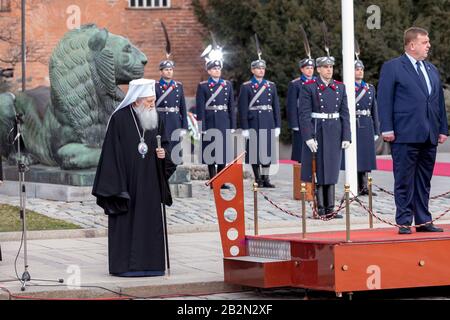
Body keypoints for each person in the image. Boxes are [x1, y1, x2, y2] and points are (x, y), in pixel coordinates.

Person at [92, 78, 176, 276]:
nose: (152, 105)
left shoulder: (156, 119)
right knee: (127, 223)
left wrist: (164, 154)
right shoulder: (119, 119)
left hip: (151, 183)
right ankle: (126, 267)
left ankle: (152, 266)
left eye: (153, 101)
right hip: (126, 183)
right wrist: (118, 187)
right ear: (136, 100)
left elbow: (165, 146)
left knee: (149, 224)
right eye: (148, 101)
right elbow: (110, 154)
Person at [378, 27, 448, 234]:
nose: (429, 46)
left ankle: (423, 220)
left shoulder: (431, 69)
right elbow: (384, 99)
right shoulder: (393, 67)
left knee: (424, 180)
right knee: (404, 180)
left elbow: (438, 103)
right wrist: (387, 128)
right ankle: (404, 221)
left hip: (429, 134)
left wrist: (442, 129)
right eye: (425, 42)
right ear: (412, 45)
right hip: (404, 133)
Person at [299, 55, 351, 218]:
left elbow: (345, 113)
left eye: (331, 67)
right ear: (319, 69)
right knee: (319, 169)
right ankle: (320, 208)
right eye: (325, 67)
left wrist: (346, 136)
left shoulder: (340, 87)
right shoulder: (309, 87)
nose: (329, 70)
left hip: (334, 129)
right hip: (318, 129)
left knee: (332, 168)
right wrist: (308, 136)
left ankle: (331, 208)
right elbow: (304, 114)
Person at [195, 48, 236, 188]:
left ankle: (221, 180)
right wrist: (202, 128)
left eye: (218, 68)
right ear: (209, 71)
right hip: (210, 121)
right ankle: (213, 181)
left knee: (223, 153)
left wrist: (232, 126)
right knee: (211, 153)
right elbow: (200, 108)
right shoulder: (203, 86)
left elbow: (231, 106)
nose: (217, 71)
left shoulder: (227, 85)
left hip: (224, 120)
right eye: (214, 68)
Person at [239, 58, 281, 188]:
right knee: (254, 152)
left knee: (267, 151)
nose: (261, 70)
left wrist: (277, 125)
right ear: (252, 70)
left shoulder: (271, 85)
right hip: (254, 121)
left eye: (263, 68)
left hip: (268, 120)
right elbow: (242, 108)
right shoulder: (246, 86)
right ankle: (257, 178)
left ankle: (266, 178)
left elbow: (276, 106)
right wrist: (245, 127)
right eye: (258, 68)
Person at [342, 59, 380, 195]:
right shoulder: (346, 87)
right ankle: (356, 184)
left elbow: (374, 109)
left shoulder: (369, 88)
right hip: (354, 124)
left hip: (367, 124)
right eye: (357, 69)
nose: (360, 71)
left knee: (366, 156)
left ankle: (364, 185)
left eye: (361, 69)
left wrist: (376, 129)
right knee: (355, 156)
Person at [287, 58, 316, 163]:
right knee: (301, 152)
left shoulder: (317, 82)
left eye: (312, 68)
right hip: (301, 121)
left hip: (315, 120)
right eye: (307, 68)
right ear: (302, 70)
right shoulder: (295, 84)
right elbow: (292, 105)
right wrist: (294, 124)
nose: (310, 70)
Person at [156, 60, 188, 158]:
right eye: (166, 70)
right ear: (161, 72)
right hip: (162, 120)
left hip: (175, 121)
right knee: (164, 147)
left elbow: (183, 107)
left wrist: (184, 126)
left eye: (171, 69)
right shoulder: (155, 86)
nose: (169, 71)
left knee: (176, 149)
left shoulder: (178, 86)